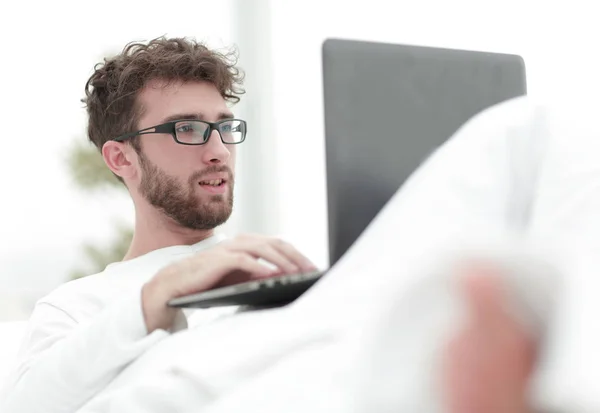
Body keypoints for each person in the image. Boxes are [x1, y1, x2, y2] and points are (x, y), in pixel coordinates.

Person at [1, 36, 595, 413]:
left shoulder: (273, 266)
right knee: (533, 129)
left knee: (536, 145)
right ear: (121, 158)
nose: (217, 149)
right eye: (187, 128)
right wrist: (162, 291)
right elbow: (31, 405)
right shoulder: (79, 307)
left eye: (225, 126)